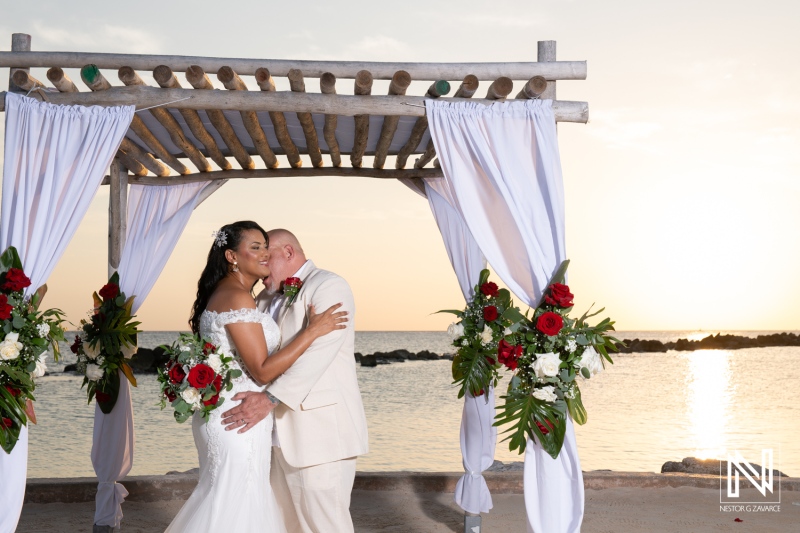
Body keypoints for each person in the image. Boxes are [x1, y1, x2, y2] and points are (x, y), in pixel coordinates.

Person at [165, 221, 347, 533]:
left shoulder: (234, 293)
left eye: (265, 247)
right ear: (232, 256)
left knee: (231, 501)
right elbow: (261, 370)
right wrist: (312, 331)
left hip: (233, 414)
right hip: (239, 418)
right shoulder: (237, 297)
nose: (264, 254)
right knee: (236, 503)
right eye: (256, 247)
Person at [221, 229, 368, 533]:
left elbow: (317, 356)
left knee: (325, 525)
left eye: (267, 256)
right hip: (272, 437)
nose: (262, 265)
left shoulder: (329, 285)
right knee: (285, 526)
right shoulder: (263, 297)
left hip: (319, 436)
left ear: (288, 252)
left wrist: (269, 399)